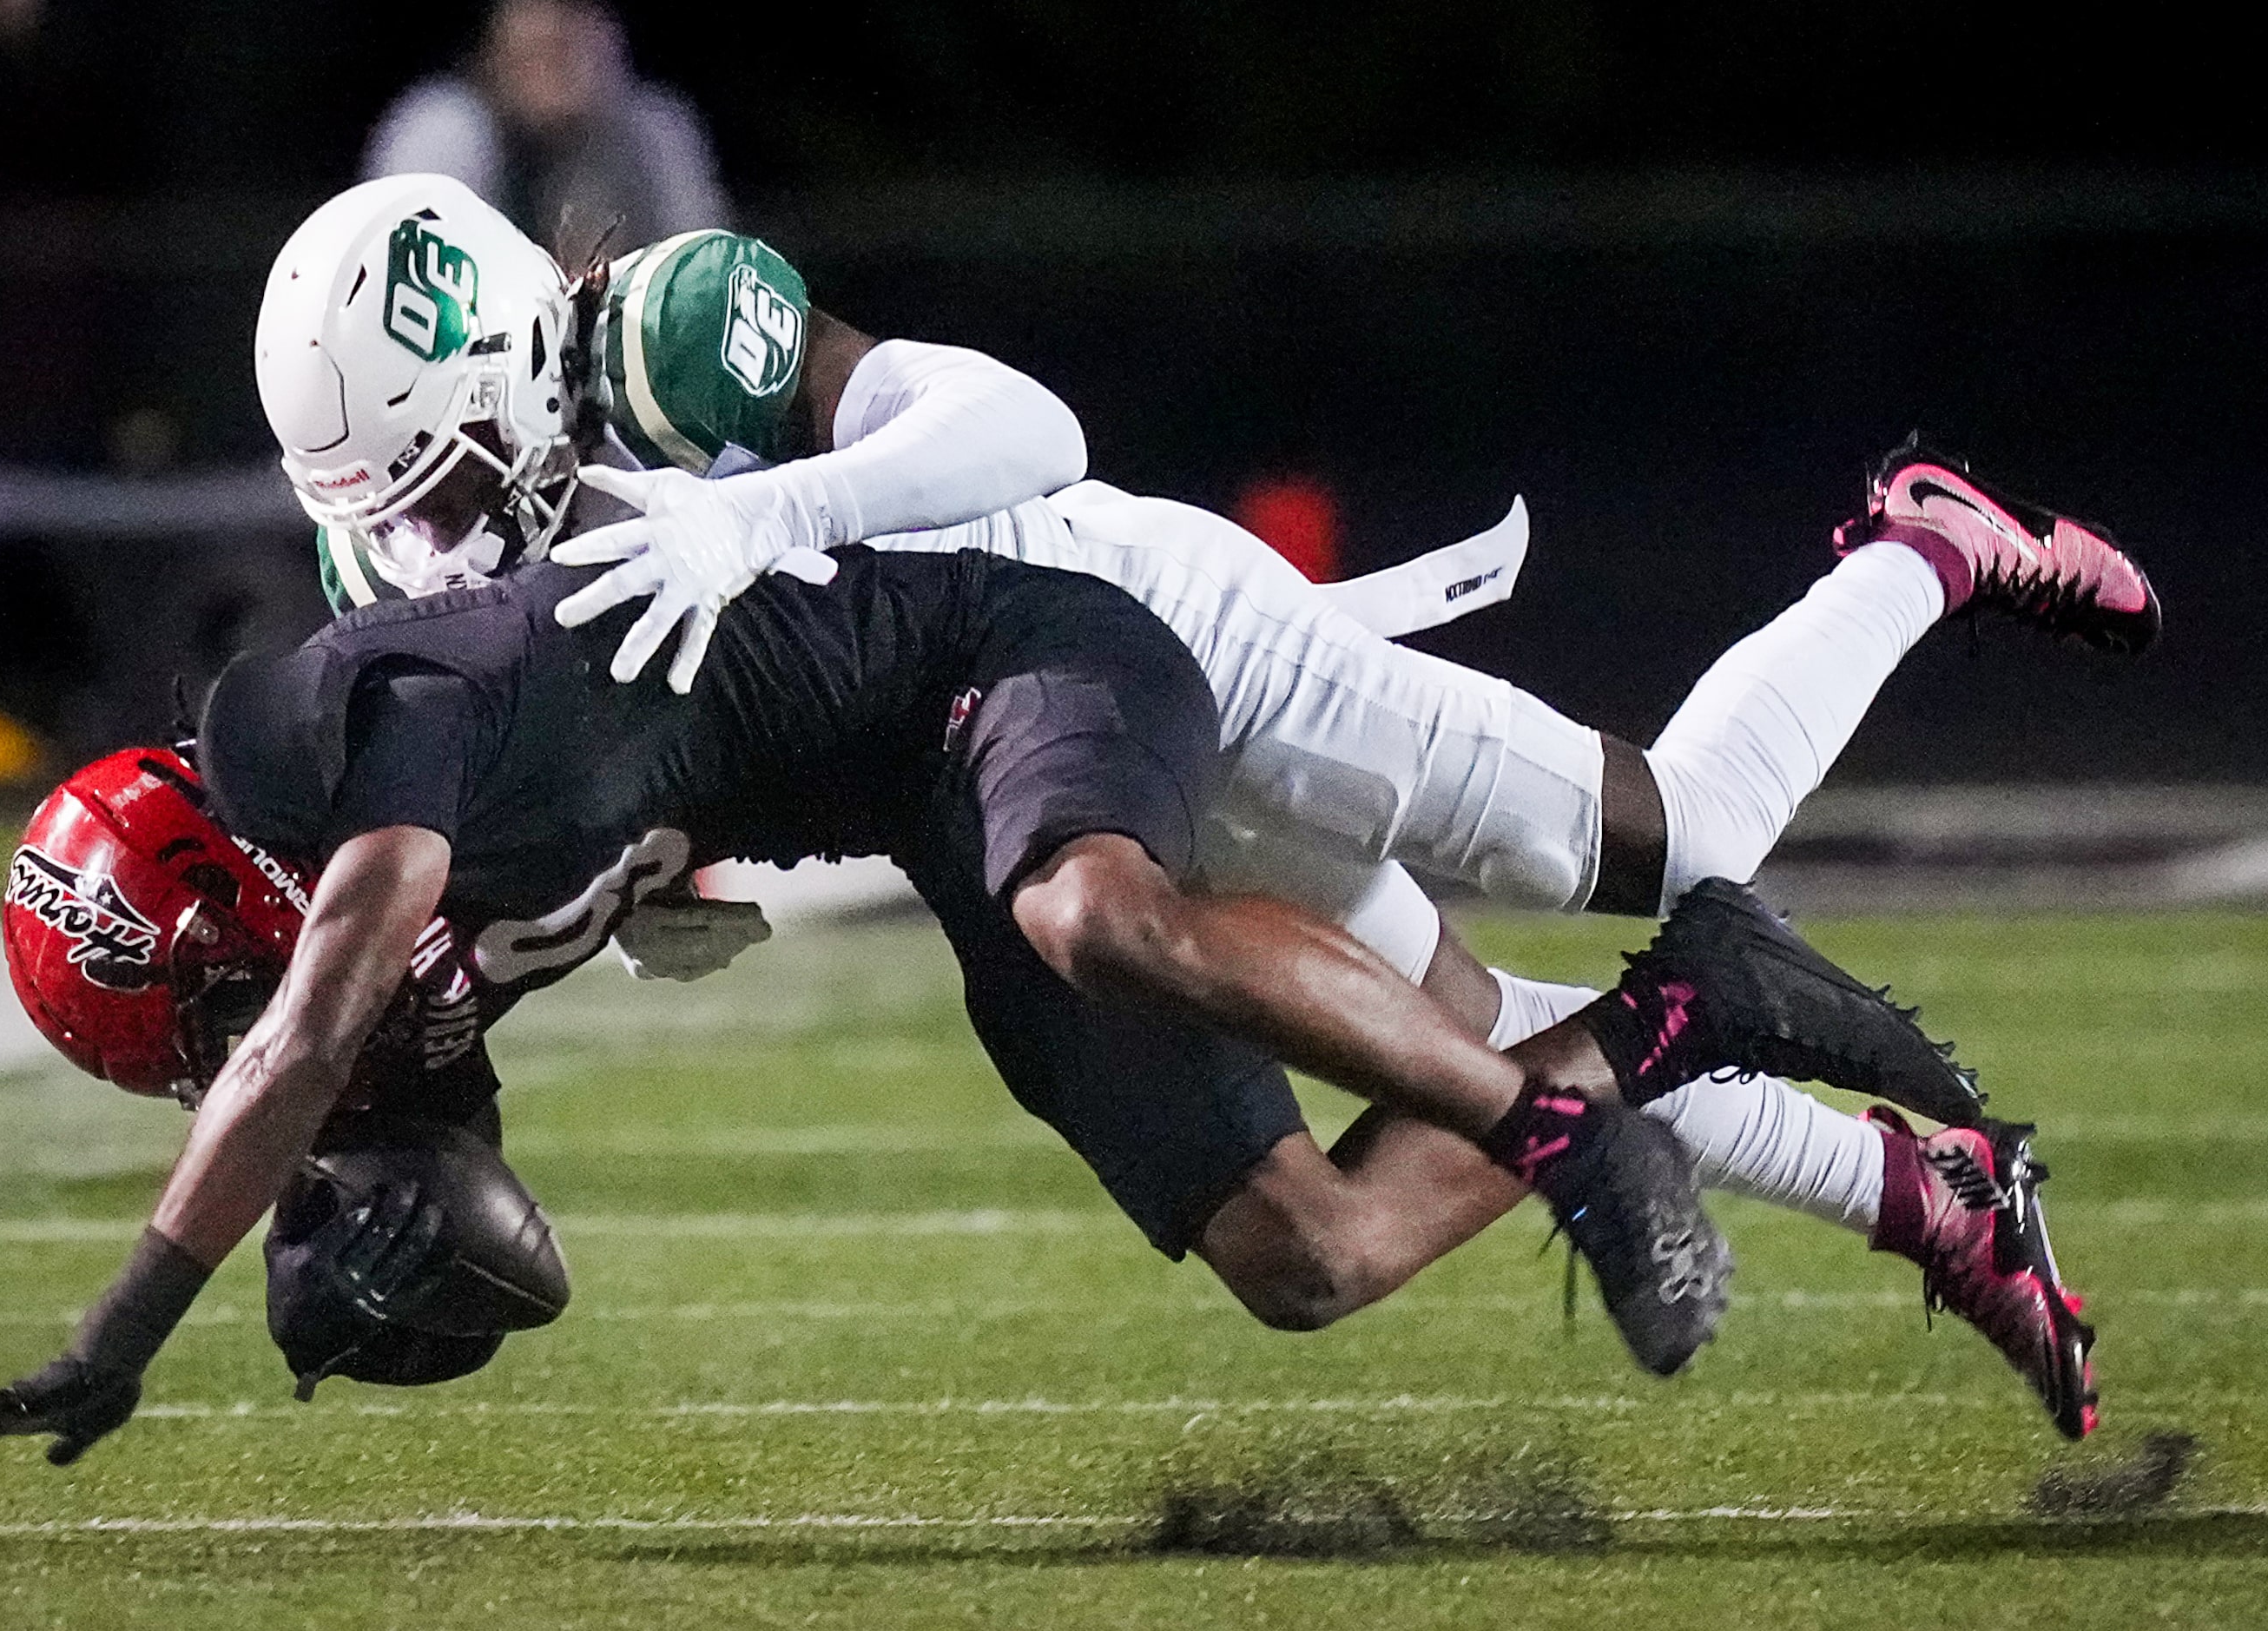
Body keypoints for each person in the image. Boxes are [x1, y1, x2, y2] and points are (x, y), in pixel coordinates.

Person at [253, 175, 2120, 1423]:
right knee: (1424, 1120)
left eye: (439, 483)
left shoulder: (672, 342)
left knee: (1676, 839)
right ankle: (1925, 1194)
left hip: (1140, 639)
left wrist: (766, 507)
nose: (427, 549)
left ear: (513, 354)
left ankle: (1920, 545)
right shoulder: (400, 592)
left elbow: (1025, 433)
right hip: (979, 789)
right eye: (383, 512)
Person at [0, 525, 1996, 1470]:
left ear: (203, 907)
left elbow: (318, 1007)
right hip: (917, 796)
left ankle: (1563, 1136)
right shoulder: (348, 908)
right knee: (1308, 1253)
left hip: (1009, 646)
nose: (227, 1071)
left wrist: (124, 1332)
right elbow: (429, 1132)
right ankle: (1673, 1017)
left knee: (1094, 909)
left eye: (189, 1031)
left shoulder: (312, 736)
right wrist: (369, 1249)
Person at [363, 0, 727, 266]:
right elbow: (391, 291)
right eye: (537, 10)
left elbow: (707, 292)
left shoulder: (654, 135)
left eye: (578, 10)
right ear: (493, 33)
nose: (557, 31)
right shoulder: (442, 131)